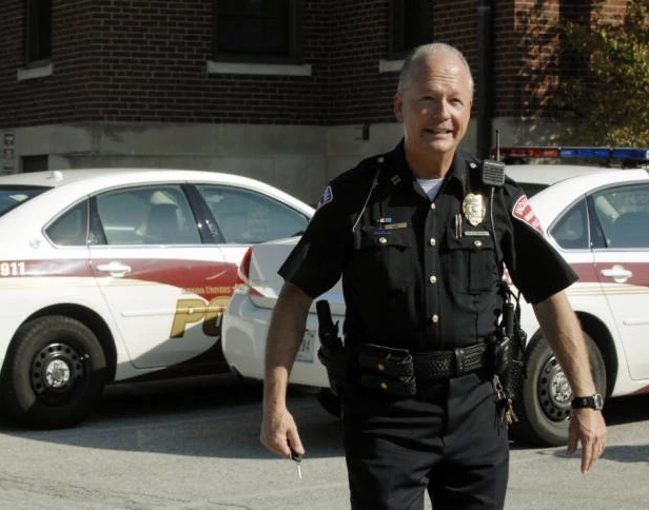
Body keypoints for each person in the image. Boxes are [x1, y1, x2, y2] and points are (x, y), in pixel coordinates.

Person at [259, 42, 607, 509]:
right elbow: (294, 297)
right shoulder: (355, 195)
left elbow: (549, 296)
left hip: (477, 411)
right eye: (427, 98)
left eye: (455, 100)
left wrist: (585, 401)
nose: (441, 113)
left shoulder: (496, 193)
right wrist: (275, 407)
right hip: (385, 416)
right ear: (400, 106)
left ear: (469, 109)